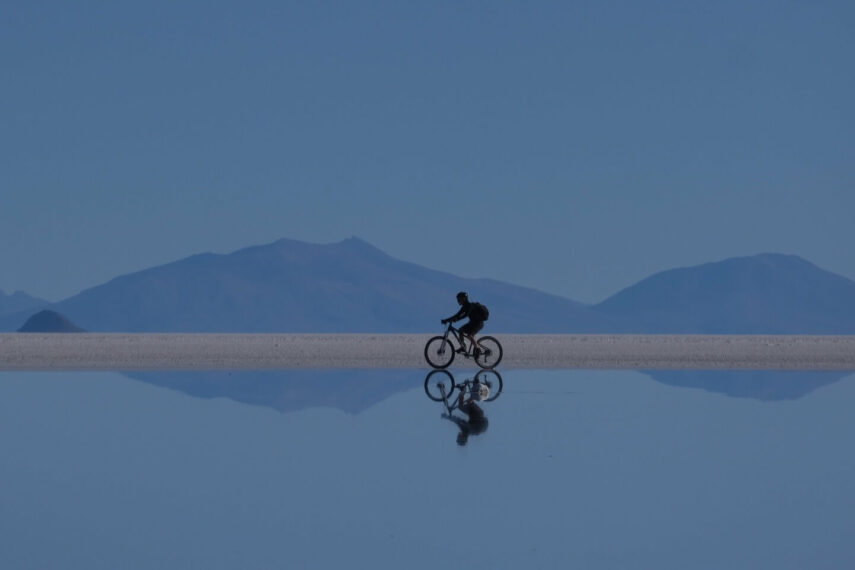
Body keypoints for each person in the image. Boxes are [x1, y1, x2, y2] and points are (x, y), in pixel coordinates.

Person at [446, 381, 490, 446]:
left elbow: (460, 422)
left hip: (477, 415)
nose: (458, 435)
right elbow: (459, 421)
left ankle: (476, 389)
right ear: (463, 438)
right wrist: (448, 417)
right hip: (477, 414)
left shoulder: (468, 432)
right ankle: (465, 390)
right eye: (459, 437)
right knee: (462, 406)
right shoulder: (466, 431)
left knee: (467, 403)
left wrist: (449, 418)